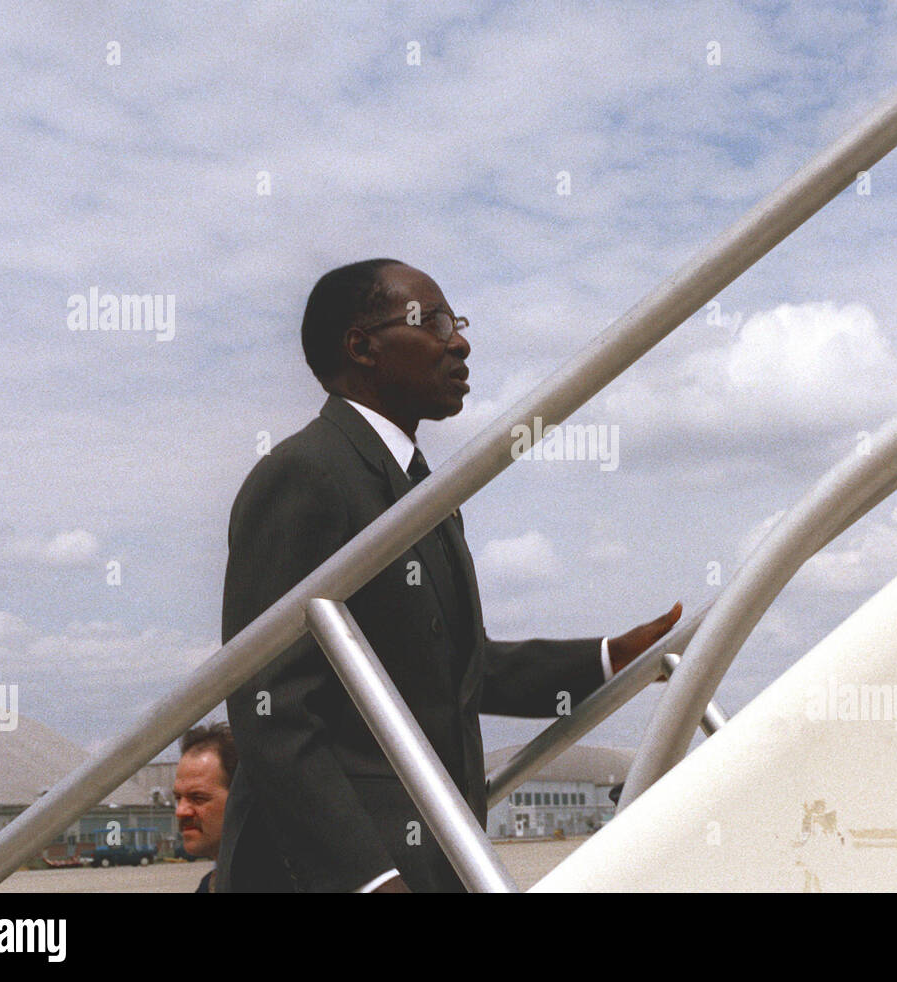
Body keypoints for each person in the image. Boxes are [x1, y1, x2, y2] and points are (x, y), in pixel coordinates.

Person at [216, 259, 680, 892]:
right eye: (432, 322)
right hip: (336, 875)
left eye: (455, 322)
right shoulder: (305, 474)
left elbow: (456, 670)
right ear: (362, 346)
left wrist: (609, 658)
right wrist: (366, 879)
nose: (459, 341)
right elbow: (270, 704)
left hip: (434, 855)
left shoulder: (421, 491)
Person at [173, 722, 236, 893]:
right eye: (178, 798)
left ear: (238, 800)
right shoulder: (209, 886)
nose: (180, 811)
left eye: (198, 798)